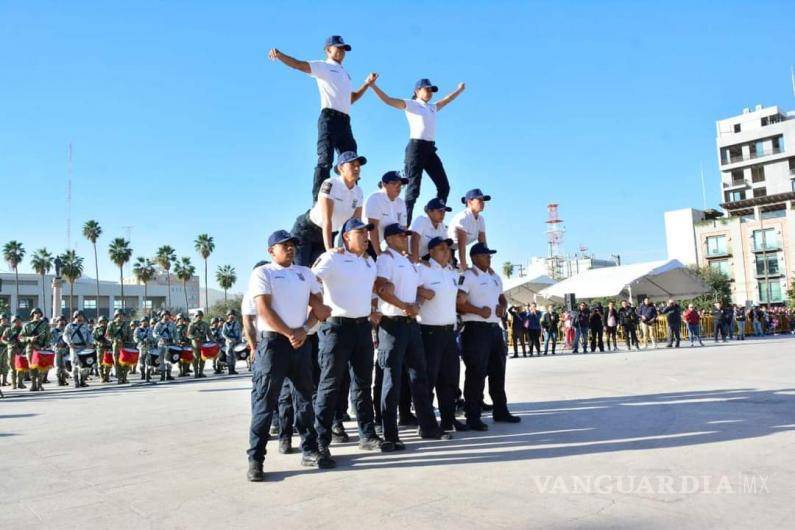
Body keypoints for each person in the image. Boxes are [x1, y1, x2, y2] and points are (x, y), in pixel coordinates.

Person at [246, 230, 335, 481]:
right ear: (270, 251)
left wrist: (304, 329)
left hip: (301, 344)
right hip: (273, 345)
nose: (290, 248)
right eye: (283, 245)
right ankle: (256, 459)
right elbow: (263, 309)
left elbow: (320, 307)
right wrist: (290, 332)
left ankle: (309, 450)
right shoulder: (263, 273)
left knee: (305, 399)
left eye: (292, 245)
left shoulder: (305, 273)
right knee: (265, 402)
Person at [267, 36, 377, 200]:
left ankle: (352, 200)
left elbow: (351, 99)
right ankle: (318, 202)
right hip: (329, 118)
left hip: (345, 122)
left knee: (352, 161)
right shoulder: (324, 67)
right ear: (328, 50)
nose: (341, 51)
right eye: (337, 48)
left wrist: (367, 84)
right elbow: (299, 65)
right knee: (325, 160)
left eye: (343, 49)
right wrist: (280, 55)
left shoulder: (345, 75)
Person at [311, 218, 384, 457]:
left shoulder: (369, 262)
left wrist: (371, 309)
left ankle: (367, 435)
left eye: (367, 233)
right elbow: (311, 281)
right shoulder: (332, 258)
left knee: (362, 384)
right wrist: (317, 306)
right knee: (330, 384)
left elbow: (369, 289)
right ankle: (320, 441)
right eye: (360, 232)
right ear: (345, 237)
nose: (365, 237)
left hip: (362, 329)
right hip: (336, 329)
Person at [375, 223, 450, 447]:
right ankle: (390, 434)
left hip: (410, 324)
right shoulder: (385, 259)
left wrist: (416, 303)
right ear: (388, 239)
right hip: (392, 324)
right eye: (400, 235)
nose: (404, 238)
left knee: (420, 376)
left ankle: (428, 427)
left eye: (406, 234)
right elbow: (380, 288)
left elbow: (419, 290)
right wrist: (404, 305)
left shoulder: (409, 261)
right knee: (391, 379)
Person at [369, 78, 466, 223]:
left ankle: (436, 217)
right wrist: (372, 85)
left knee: (444, 186)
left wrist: (459, 90)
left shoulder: (432, 107)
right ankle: (405, 224)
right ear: (417, 91)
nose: (429, 92)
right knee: (413, 189)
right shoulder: (411, 104)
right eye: (426, 89)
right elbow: (388, 100)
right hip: (416, 148)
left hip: (430, 149)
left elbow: (447, 99)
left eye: (431, 90)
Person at [456, 242, 520, 430]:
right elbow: (458, 302)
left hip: (494, 328)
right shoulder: (467, 276)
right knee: (476, 374)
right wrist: (477, 310)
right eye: (485, 255)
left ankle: (500, 410)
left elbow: (501, 297)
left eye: (490, 255)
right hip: (475, 329)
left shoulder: (494, 276)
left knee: (498, 371)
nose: (489, 257)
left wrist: (503, 307)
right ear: (475, 258)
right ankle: (473, 416)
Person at [416, 237, 468, 432]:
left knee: (449, 380)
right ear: (430, 252)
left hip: (449, 332)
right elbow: (410, 286)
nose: (446, 252)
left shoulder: (451, 272)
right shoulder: (424, 269)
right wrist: (422, 291)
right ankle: (427, 424)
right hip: (429, 331)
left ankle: (448, 420)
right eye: (441, 249)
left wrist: (461, 295)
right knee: (428, 380)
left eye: (448, 249)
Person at [292, 151, 366, 267]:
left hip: (328, 235)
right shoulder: (330, 184)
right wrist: (329, 250)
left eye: (358, 165)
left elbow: (354, 225)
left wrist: (358, 250)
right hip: (306, 232)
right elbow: (327, 220)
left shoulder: (359, 192)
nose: (357, 168)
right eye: (352, 164)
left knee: (321, 276)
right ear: (341, 168)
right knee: (302, 272)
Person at [363, 171, 409, 257]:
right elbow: (372, 229)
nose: (398, 187)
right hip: (366, 244)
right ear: (384, 184)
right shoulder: (375, 199)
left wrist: (405, 252)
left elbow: (403, 230)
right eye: (395, 183)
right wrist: (379, 253)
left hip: (385, 243)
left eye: (400, 184)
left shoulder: (401, 203)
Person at [449, 189, 490, 270]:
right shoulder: (463, 218)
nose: (483, 202)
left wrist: (488, 267)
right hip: (443, 249)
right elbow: (461, 245)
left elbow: (483, 245)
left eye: (483, 200)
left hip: (453, 250)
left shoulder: (481, 220)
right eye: (480, 200)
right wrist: (464, 265)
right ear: (469, 202)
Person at [409, 198, 452, 263]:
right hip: (406, 254)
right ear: (429, 211)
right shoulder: (422, 220)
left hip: (421, 258)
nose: (443, 214)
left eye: (444, 211)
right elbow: (414, 239)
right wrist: (416, 262)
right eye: (440, 211)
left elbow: (445, 246)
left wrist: (450, 263)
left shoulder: (442, 226)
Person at [21, 307, 50, 391]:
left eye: (38, 313)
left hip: (41, 347)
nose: (37, 315)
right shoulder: (27, 325)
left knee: (41, 366)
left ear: (41, 314)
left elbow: (48, 337)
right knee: (32, 366)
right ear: (32, 314)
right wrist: (29, 338)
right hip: (30, 347)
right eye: (35, 313)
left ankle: (40, 384)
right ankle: (33, 384)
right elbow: (21, 337)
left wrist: (45, 345)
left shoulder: (45, 325)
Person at [63, 311, 93, 388]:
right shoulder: (70, 326)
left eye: (82, 316)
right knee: (75, 364)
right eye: (79, 316)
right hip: (74, 347)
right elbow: (65, 335)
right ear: (75, 316)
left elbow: (89, 335)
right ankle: (76, 381)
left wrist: (89, 343)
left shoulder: (85, 326)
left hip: (84, 347)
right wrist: (69, 343)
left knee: (84, 365)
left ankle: (82, 380)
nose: (80, 318)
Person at [106, 310, 132, 384]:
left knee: (126, 361)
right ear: (116, 315)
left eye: (122, 315)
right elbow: (107, 335)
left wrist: (131, 343)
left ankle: (124, 377)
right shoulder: (111, 324)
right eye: (119, 315)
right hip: (116, 345)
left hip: (125, 344)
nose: (121, 316)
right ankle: (119, 378)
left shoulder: (126, 324)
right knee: (117, 361)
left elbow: (130, 335)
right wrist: (113, 340)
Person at [187, 310, 212, 379]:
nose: (199, 317)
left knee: (203, 358)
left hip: (204, 343)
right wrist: (195, 338)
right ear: (195, 316)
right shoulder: (192, 324)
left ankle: (201, 372)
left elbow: (209, 334)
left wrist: (212, 340)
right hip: (195, 344)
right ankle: (196, 373)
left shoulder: (205, 324)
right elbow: (189, 334)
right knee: (195, 358)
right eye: (198, 316)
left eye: (200, 316)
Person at [2, 316, 25, 389]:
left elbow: (25, 338)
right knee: (12, 367)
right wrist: (9, 343)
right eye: (16, 321)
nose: (18, 322)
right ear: (13, 322)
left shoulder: (23, 330)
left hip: (21, 350)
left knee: (21, 366)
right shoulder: (8, 330)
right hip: (11, 350)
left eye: (19, 321)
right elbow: (2, 339)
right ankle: (13, 383)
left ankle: (20, 383)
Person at [152, 310, 176, 381]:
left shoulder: (172, 324)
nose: (166, 316)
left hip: (170, 344)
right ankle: (162, 375)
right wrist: (160, 338)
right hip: (161, 344)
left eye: (167, 315)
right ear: (162, 316)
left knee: (169, 360)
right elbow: (154, 333)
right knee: (161, 360)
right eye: (165, 315)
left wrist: (176, 340)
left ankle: (169, 374)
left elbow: (175, 333)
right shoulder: (158, 324)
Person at [50, 316, 70, 386]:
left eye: (63, 320)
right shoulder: (53, 331)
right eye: (60, 320)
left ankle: (64, 379)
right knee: (58, 366)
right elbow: (51, 340)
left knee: (64, 366)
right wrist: (54, 345)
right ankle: (59, 380)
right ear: (57, 322)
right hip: (57, 350)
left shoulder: (67, 330)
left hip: (66, 349)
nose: (62, 322)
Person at [222, 310, 243, 375]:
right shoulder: (225, 324)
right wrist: (229, 339)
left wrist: (240, 340)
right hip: (229, 342)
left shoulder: (237, 323)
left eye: (233, 314)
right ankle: (230, 369)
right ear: (228, 316)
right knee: (229, 355)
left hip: (236, 341)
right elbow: (223, 333)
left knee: (234, 356)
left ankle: (233, 369)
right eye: (230, 314)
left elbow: (239, 332)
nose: (231, 316)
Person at [93, 316, 112, 382]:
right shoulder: (97, 329)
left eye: (105, 321)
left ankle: (107, 376)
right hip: (100, 348)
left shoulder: (109, 329)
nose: (103, 323)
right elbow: (94, 338)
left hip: (108, 347)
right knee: (100, 363)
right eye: (102, 321)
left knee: (108, 363)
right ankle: (102, 377)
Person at [0, 314, 9, 387]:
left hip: (7, 348)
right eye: (3, 319)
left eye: (5, 319)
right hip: (0, 347)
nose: (4, 320)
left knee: (6, 365)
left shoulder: (9, 328)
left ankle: (4, 381)